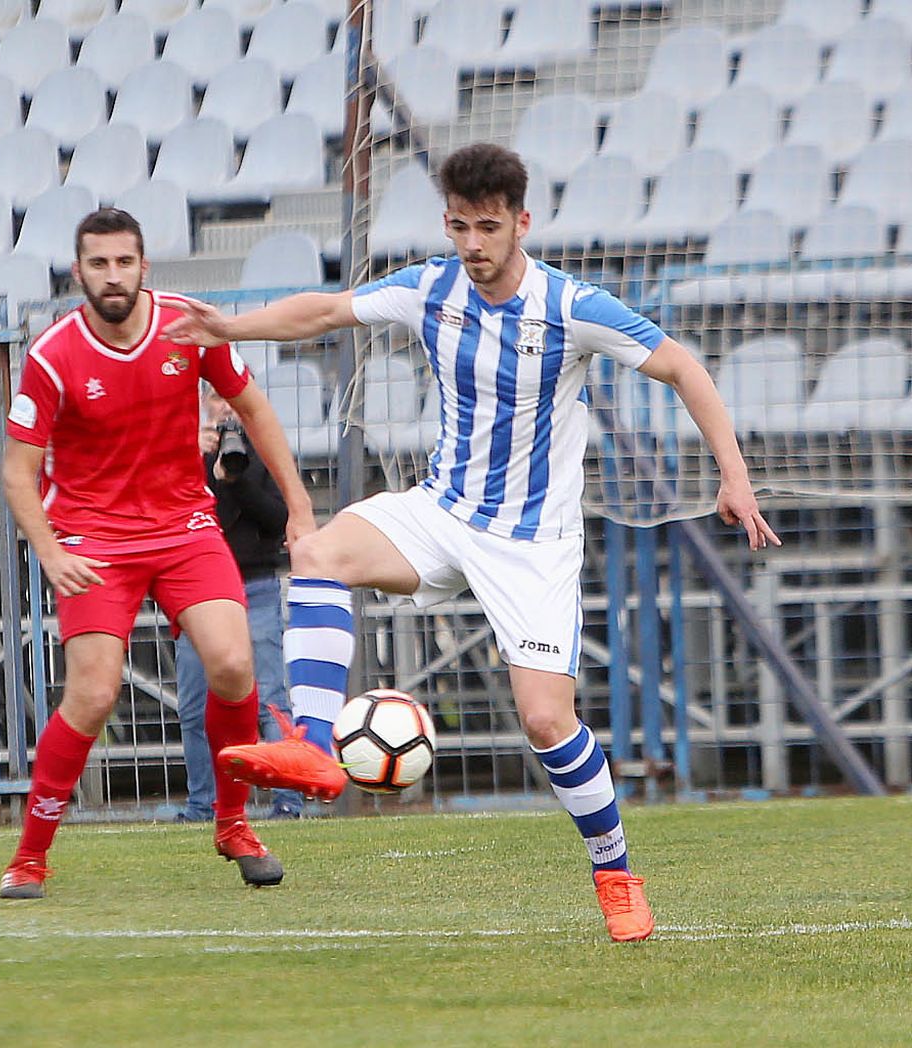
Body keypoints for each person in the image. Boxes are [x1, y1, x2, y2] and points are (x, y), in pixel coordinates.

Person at [169, 143, 781, 943]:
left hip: (531, 543)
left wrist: (732, 478)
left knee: (544, 722)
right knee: (317, 551)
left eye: (488, 227)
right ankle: (315, 749)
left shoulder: (570, 306)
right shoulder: (431, 287)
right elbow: (324, 310)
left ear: (521, 223)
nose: (472, 244)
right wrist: (230, 326)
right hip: (442, 510)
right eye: (459, 226)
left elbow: (684, 369)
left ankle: (615, 871)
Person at [0, 208, 316, 899]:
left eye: (124, 262)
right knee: (92, 693)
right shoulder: (52, 355)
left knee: (233, 663)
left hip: (183, 528)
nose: (112, 276)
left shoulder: (188, 327)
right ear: (77, 271)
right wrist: (50, 553)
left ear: (145, 267)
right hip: (92, 539)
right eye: (97, 264)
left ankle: (233, 824)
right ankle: (29, 856)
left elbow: (255, 409)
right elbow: (17, 470)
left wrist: (299, 503)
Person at [173, 386, 302, 822]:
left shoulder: (264, 452)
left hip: (255, 585)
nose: (225, 408)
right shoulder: (183, 451)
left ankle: (287, 799)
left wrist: (238, 477)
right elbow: (170, 508)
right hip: (197, 593)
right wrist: (197, 459)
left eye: (232, 399)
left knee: (269, 697)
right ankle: (202, 803)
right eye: (216, 399)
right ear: (201, 405)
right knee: (194, 702)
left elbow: (278, 518)